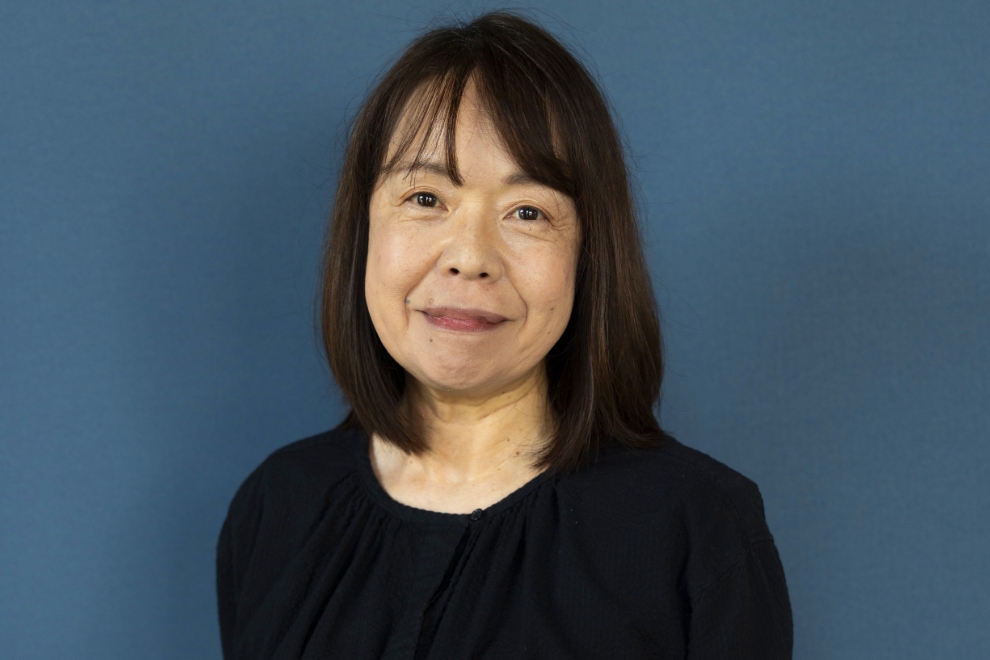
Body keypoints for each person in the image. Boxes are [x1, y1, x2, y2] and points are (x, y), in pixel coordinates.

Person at [215, 10, 792, 659]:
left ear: (589, 257)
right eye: (426, 198)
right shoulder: (277, 506)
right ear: (362, 231)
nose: (470, 257)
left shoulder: (697, 527)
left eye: (528, 212)